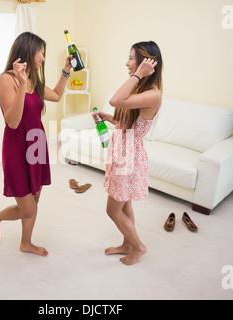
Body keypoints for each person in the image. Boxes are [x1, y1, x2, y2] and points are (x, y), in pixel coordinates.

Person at [0, 32, 72, 256]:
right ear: (28, 51)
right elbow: (13, 122)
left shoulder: (34, 80)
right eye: (41, 54)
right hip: (17, 146)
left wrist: (66, 69)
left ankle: (26, 242)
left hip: (36, 143)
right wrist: (22, 83)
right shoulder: (7, 79)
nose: (43, 59)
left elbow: (55, 95)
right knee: (27, 208)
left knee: (35, 198)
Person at [92, 41, 163, 265]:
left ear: (145, 63)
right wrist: (108, 117)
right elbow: (127, 122)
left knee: (113, 211)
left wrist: (137, 75)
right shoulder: (141, 89)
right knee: (125, 205)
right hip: (122, 149)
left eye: (131, 58)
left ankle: (139, 247)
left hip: (128, 155)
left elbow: (115, 99)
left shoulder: (153, 94)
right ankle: (127, 244)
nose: (127, 62)